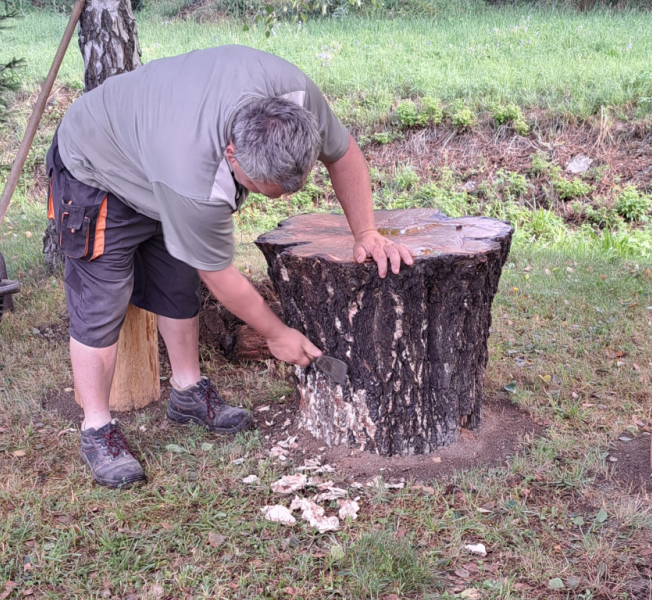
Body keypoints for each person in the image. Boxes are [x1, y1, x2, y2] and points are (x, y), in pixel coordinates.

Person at [46, 45, 413, 488]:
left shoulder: (296, 96)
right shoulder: (194, 175)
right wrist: (277, 335)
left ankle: (187, 394)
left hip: (155, 152)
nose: (280, 199)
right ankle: (97, 428)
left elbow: (345, 155)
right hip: (98, 165)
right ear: (234, 157)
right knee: (100, 303)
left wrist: (366, 233)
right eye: (269, 191)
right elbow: (220, 276)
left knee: (176, 284)